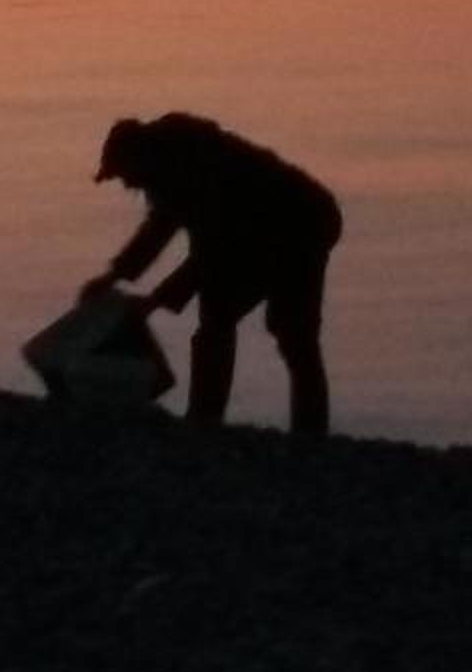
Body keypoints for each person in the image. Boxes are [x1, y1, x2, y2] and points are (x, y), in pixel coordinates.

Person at [87, 112, 342, 439]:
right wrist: (113, 276)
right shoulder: (170, 172)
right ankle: (207, 419)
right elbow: (160, 228)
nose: (127, 185)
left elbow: (212, 253)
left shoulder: (197, 169)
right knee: (220, 318)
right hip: (258, 230)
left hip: (302, 223)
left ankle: (304, 434)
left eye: (126, 175)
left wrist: (154, 301)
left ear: (141, 159)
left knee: (289, 331)